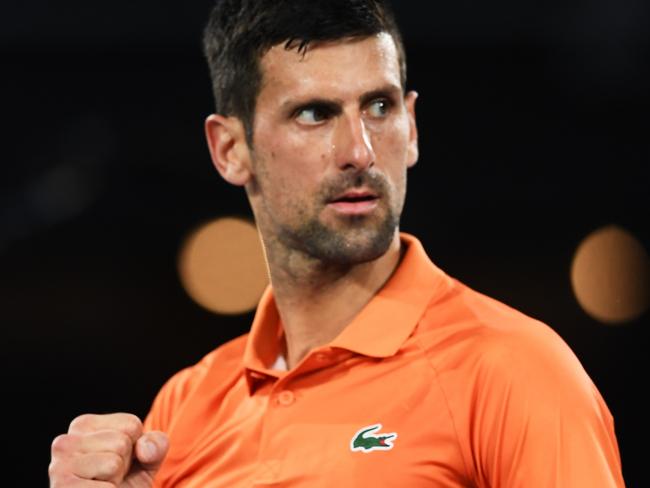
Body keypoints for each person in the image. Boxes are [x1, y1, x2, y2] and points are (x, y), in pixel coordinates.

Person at [48, 0, 625, 486]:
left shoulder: (515, 371)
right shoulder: (186, 406)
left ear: (413, 126)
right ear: (230, 149)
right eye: (315, 114)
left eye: (380, 106)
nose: (360, 151)